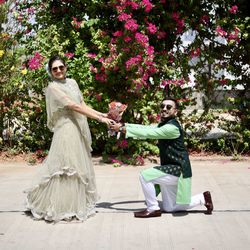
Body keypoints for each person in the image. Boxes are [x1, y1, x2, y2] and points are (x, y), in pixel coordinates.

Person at [25, 55, 114, 222]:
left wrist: (102, 114)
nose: (58, 71)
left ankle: (74, 205)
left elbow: (82, 104)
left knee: (77, 167)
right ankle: (60, 206)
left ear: (65, 67)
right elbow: (72, 105)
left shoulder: (72, 83)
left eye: (61, 67)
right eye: (54, 69)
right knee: (66, 168)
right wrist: (100, 120)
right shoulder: (52, 87)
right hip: (66, 129)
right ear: (50, 72)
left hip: (77, 128)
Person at [110, 97, 213, 218]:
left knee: (145, 176)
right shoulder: (165, 124)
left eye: (168, 107)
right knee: (170, 208)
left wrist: (122, 129)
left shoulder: (172, 128)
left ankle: (153, 208)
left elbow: (149, 133)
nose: (164, 109)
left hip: (178, 170)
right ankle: (203, 198)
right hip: (171, 168)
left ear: (176, 111)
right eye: (162, 106)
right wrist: (124, 125)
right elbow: (147, 128)